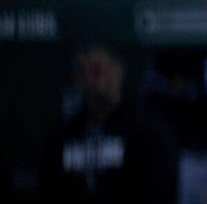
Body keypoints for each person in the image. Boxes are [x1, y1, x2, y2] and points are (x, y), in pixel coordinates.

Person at [38, 44, 179, 203]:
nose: (91, 81)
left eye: (97, 71)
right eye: (83, 73)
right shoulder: (62, 134)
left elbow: (160, 191)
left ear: (118, 71)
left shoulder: (149, 131)